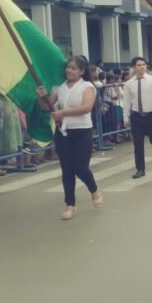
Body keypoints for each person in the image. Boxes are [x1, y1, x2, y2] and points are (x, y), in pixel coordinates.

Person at [36, 56, 102, 220]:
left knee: (80, 167)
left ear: (81, 71)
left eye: (73, 68)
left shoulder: (88, 87)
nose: (69, 71)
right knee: (67, 170)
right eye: (68, 67)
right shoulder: (59, 88)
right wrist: (42, 96)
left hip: (82, 132)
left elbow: (86, 108)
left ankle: (94, 190)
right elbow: (46, 107)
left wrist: (63, 113)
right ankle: (70, 205)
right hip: (63, 132)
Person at [122, 57, 152, 179]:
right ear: (134, 67)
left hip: (151, 116)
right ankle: (140, 169)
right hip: (136, 117)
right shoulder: (129, 84)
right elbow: (126, 102)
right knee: (138, 143)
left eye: (144, 65)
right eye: (139, 65)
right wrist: (126, 118)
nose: (142, 67)